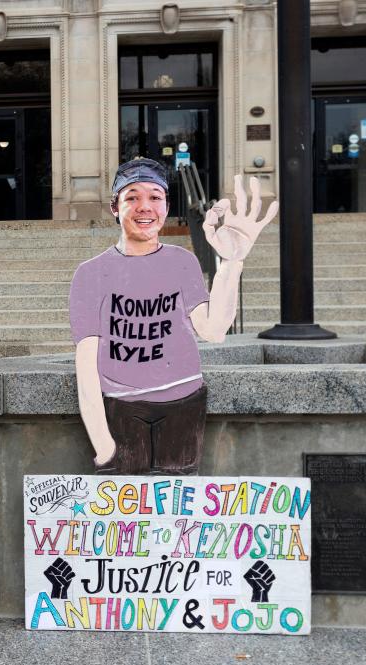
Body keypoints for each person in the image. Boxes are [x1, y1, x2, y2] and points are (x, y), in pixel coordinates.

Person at [69, 158, 278, 475]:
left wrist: (231, 262)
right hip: (121, 409)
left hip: (183, 404)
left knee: (177, 515)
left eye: (155, 197)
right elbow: (85, 365)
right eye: (132, 197)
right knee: (125, 515)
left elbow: (214, 329)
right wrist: (105, 448)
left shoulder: (182, 261)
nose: (145, 207)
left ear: (166, 206)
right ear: (115, 207)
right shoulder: (91, 273)